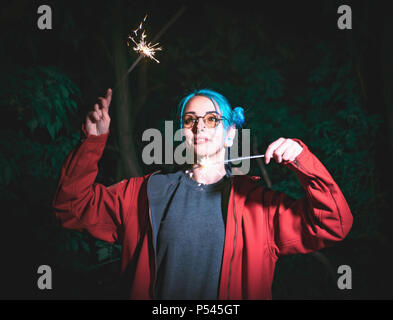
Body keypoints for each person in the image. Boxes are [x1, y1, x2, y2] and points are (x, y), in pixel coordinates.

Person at [53, 88, 353, 300]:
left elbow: (333, 224)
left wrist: (303, 160)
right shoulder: (145, 192)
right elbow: (72, 206)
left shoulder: (258, 206)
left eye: (211, 119)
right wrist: (92, 142)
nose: (199, 126)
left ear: (230, 133)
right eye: (190, 119)